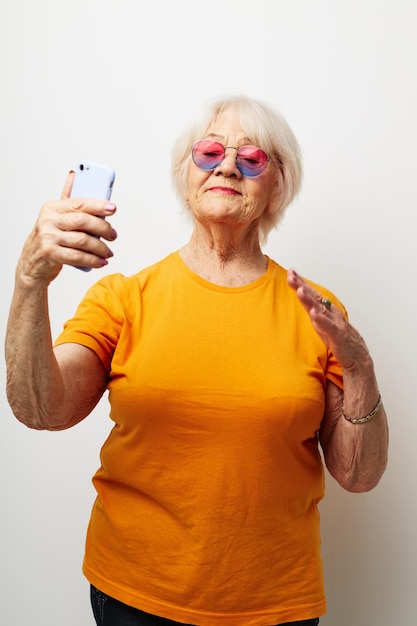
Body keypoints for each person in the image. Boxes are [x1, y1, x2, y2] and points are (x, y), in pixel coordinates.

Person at [5, 95, 389, 626]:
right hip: (134, 598)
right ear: (187, 173)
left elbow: (360, 474)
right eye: (209, 152)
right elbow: (42, 409)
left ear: (278, 184)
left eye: (252, 158)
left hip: (276, 607)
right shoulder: (124, 299)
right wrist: (29, 282)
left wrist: (363, 370)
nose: (227, 165)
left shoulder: (317, 311)